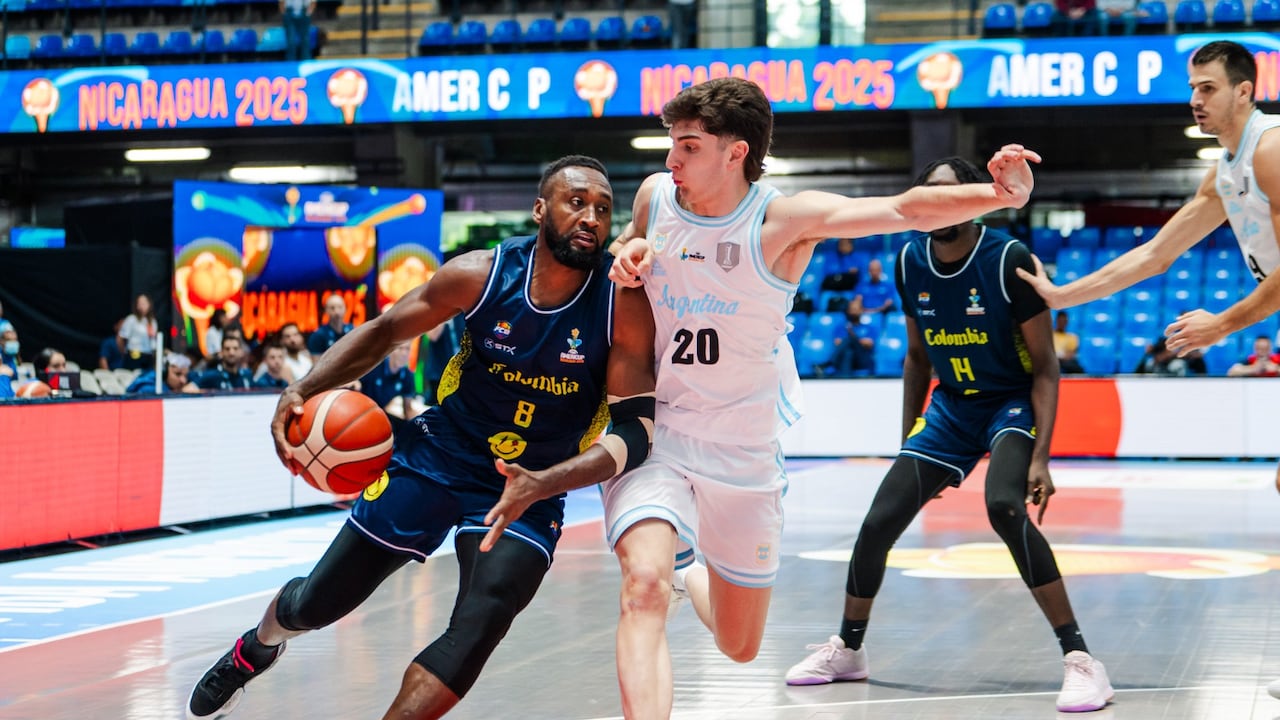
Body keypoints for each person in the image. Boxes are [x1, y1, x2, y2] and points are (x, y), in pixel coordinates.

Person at [601, 77, 1039, 719]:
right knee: (641, 587)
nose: (672, 159)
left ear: (736, 152)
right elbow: (631, 245)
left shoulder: (782, 221)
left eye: (688, 146)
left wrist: (1000, 195)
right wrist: (627, 249)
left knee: (739, 646)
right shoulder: (655, 196)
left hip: (743, 449)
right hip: (661, 431)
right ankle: (664, 575)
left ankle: (687, 570)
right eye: (672, 143)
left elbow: (904, 211)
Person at [185, 155, 657, 720]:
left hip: (532, 484)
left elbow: (637, 428)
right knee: (317, 603)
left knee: (483, 619)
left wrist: (546, 482)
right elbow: (385, 331)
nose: (591, 218)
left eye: (603, 209)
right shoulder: (480, 275)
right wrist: (304, 387)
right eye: (576, 202)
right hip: (440, 453)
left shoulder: (621, 303)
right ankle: (256, 647)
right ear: (539, 210)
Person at [783, 157, 1112, 713]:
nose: (936, 204)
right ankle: (849, 649)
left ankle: (1081, 658)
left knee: (1004, 508)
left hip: (1009, 403)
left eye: (947, 193)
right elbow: (917, 358)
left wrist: (1041, 457)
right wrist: (908, 439)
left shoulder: (1007, 258)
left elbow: (1046, 368)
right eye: (927, 194)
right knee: (878, 522)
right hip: (951, 409)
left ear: (971, 199)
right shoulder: (909, 260)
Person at [1013, 40, 1280, 699]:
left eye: (1208, 87)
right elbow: (1156, 255)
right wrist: (1063, 294)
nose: (1196, 99)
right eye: (1192, 87)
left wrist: (1223, 323)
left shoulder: (1271, 151)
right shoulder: (1226, 169)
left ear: (1245, 91)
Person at [360, 341, 419, 420]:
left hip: (380, 416)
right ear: (390, 350)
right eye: (400, 348)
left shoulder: (408, 375)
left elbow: (408, 409)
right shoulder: (374, 365)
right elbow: (356, 384)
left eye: (407, 349)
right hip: (361, 412)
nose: (404, 353)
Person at [826, 296, 875, 377]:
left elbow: (869, 344)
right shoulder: (841, 327)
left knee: (850, 340)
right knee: (848, 353)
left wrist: (853, 339)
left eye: (856, 309)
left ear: (861, 310)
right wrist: (859, 340)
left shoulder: (868, 328)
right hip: (846, 358)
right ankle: (846, 379)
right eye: (852, 309)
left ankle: (830, 362)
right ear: (848, 311)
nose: (854, 312)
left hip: (862, 359)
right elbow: (837, 343)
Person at [118, 293, 158, 371]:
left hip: (148, 355)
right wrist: (124, 353)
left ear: (149, 305)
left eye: (144, 303)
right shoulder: (131, 319)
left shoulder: (153, 322)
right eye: (139, 303)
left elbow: (154, 340)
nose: (142, 306)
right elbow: (121, 338)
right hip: (134, 354)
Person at [127, 353, 199, 394]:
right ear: (164, 373)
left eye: (186, 376)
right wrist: (181, 393)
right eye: (178, 374)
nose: (183, 381)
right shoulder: (147, 388)